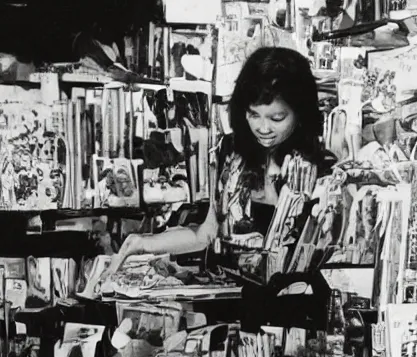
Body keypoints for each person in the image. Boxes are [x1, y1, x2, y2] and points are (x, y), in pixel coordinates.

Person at [107, 47, 329, 274]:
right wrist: (143, 243)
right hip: (230, 301)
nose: (263, 128)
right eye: (253, 114)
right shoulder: (231, 151)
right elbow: (207, 234)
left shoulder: (321, 170)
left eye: (277, 118)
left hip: (294, 301)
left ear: (301, 113)